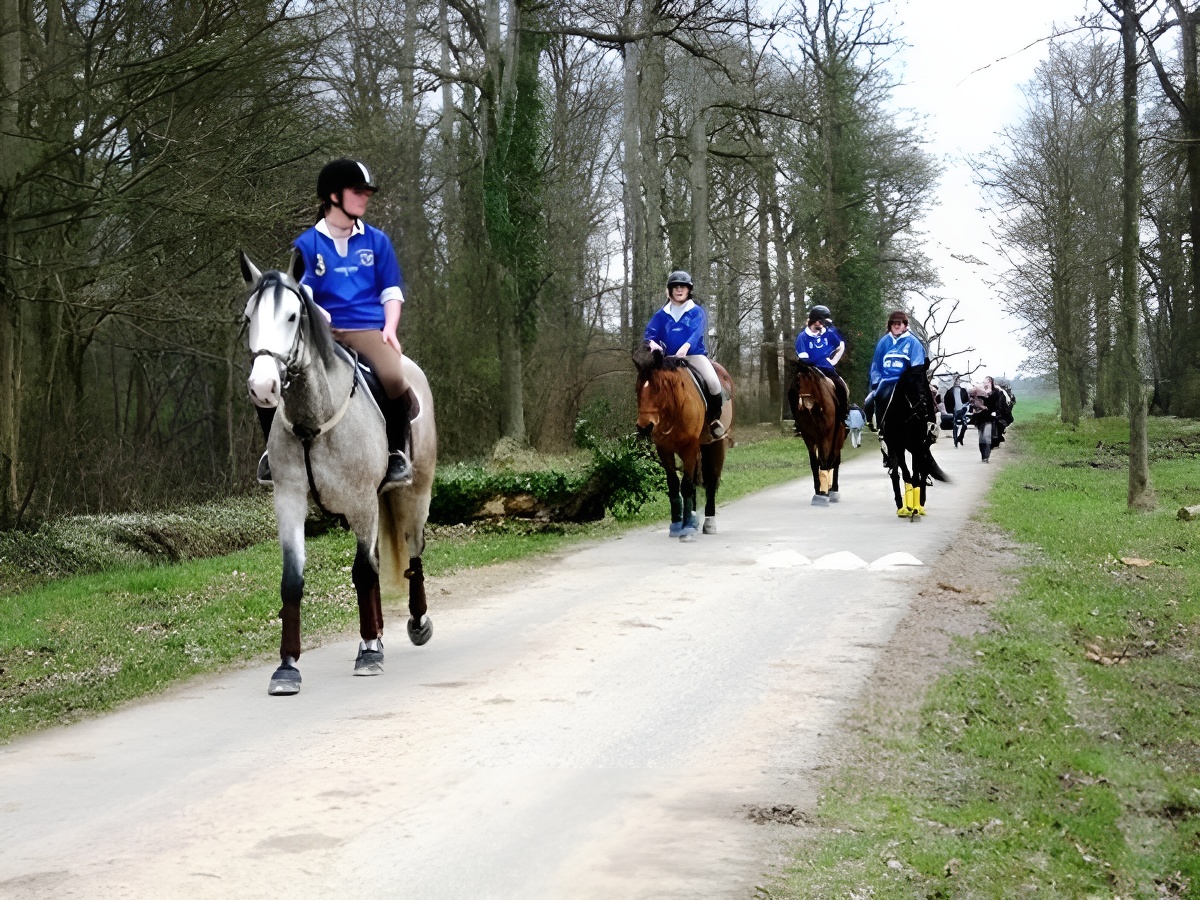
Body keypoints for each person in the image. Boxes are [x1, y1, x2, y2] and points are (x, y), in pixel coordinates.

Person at [257, 158, 413, 490]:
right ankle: (273, 454)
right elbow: (303, 288)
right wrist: (317, 313)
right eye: (357, 191)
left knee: (394, 377)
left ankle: (397, 453)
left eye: (366, 192)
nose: (364, 198)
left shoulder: (377, 242)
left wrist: (390, 327)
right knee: (270, 375)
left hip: (366, 329)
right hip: (319, 331)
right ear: (333, 196)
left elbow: (391, 291)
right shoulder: (307, 245)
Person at [644, 270, 726, 438]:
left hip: (694, 356)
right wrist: (652, 344)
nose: (679, 290)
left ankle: (713, 420)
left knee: (713, 383)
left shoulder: (696, 311)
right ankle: (647, 423)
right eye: (675, 287)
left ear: (689, 290)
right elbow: (649, 334)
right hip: (668, 360)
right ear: (670, 290)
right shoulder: (661, 315)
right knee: (649, 385)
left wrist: (686, 347)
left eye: (683, 287)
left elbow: (696, 333)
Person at [862, 309, 930, 432]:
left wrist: (909, 380)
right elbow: (876, 365)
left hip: (906, 381)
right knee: (869, 401)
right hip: (886, 380)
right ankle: (878, 427)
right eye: (894, 324)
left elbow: (917, 366)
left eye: (899, 324)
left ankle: (928, 425)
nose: (896, 326)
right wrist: (876, 381)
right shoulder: (883, 342)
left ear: (905, 325)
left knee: (923, 399)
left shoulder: (913, 342)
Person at [794, 304, 849, 425]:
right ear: (816, 322)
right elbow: (804, 359)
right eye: (823, 322)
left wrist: (833, 361)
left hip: (826, 368)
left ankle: (843, 416)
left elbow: (841, 345)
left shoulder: (828, 334)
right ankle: (798, 421)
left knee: (841, 386)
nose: (824, 324)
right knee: (793, 390)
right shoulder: (802, 337)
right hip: (808, 369)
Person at [969, 376, 1001, 462]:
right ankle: (983, 456)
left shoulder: (996, 392)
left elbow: (997, 404)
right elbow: (972, 400)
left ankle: (986, 457)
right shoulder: (979, 392)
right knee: (981, 438)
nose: (984, 383)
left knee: (986, 437)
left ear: (991, 382)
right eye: (984, 382)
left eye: (986, 382)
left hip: (990, 418)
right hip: (980, 418)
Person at [944, 374, 970, 448]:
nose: (957, 381)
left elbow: (967, 401)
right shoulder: (950, 391)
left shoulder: (963, 390)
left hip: (962, 410)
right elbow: (946, 400)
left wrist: (965, 408)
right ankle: (955, 440)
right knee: (955, 425)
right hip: (954, 410)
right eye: (955, 379)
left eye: (958, 379)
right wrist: (949, 410)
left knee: (964, 425)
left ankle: (960, 438)